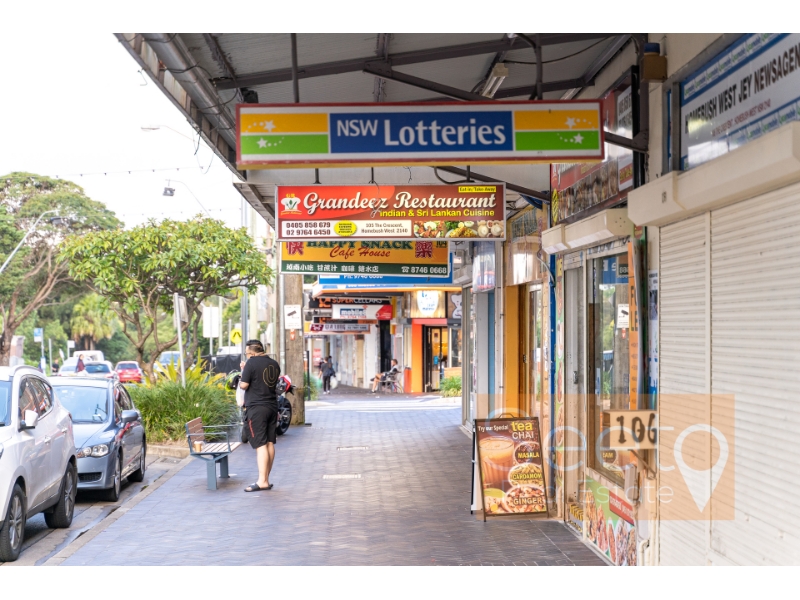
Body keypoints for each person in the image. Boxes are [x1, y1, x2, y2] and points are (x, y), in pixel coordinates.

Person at [239, 340, 281, 492]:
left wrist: (244, 371)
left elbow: (244, 384)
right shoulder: (274, 364)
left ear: (252, 353)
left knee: (260, 444)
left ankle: (262, 481)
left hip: (256, 408)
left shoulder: (251, 363)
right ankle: (266, 479)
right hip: (272, 406)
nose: (247, 356)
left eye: (247, 353)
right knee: (269, 443)